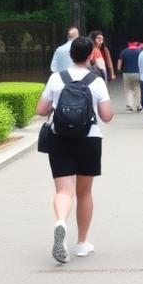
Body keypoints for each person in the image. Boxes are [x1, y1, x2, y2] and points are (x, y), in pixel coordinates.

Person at [36, 37, 113, 263]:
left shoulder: (56, 78)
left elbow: (41, 110)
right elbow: (107, 116)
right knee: (84, 192)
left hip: (60, 138)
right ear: (91, 56)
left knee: (63, 191)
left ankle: (60, 221)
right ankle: (81, 243)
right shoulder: (96, 81)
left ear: (70, 55)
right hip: (89, 139)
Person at [116, 41, 143, 112]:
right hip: (137, 73)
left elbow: (120, 61)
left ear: (128, 44)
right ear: (136, 43)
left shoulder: (124, 51)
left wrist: (118, 70)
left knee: (128, 89)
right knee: (138, 89)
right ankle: (138, 105)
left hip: (126, 73)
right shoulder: (140, 51)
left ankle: (129, 106)